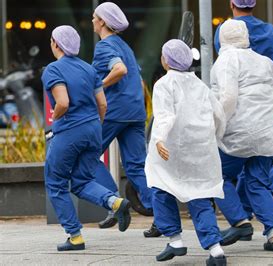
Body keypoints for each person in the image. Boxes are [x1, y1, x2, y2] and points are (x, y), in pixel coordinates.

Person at [214, 0, 273, 235]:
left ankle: (241, 222)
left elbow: (228, 90)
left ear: (231, 4)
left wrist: (215, 123)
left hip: (238, 117)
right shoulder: (270, 34)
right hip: (265, 115)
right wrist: (271, 86)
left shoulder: (225, 34)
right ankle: (272, 226)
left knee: (223, 172)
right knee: (254, 173)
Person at [42, 25, 131, 251]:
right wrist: (94, 125)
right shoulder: (88, 69)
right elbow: (103, 104)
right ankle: (115, 202)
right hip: (93, 130)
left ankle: (75, 236)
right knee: (82, 182)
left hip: (69, 131)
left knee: (56, 182)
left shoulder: (53, 69)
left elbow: (62, 102)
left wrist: (57, 120)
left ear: (55, 44)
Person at [145, 39, 227, 265]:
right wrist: (215, 138)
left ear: (166, 60)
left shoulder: (164, 84)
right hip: (200, 151)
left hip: (171, 151)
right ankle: (216, 250)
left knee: (161, 189)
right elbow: (219, 114)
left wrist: (160, 139)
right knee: (200, 196)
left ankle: (175, 240)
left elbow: (164, 116)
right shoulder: (200, 84)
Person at [211, 19, 273, 251]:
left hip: (238, 132)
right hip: (267, 131)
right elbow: (272, 94)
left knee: (216, 177)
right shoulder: (265, 61)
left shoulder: (225, 60)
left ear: (222, 38)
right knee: (257, 181)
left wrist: (214, 126)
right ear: (246, 37)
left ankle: (240, 221)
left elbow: (228, 98)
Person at [90, 2, 157, 237]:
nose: (92, 20)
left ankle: (114, 203)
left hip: (114, 111)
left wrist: (96, 86)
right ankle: (160, 215)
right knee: (137, 165)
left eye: (95, 17)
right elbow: (138, 82)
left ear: (103, 22)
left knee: (88, 154)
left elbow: (120, 70)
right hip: (135, 111)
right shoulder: (124, 46)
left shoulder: (104, 46)